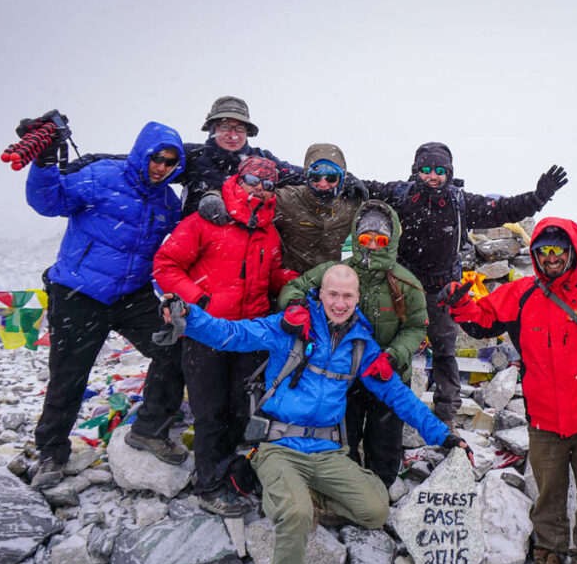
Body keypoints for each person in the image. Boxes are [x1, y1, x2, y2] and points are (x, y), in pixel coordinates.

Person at [157, 264, 471, 564]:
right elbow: (232, 334)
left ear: (357, 298)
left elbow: (398, 395)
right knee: (297, 515)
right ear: (320, 295)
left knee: (375, 510)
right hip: (278, 445)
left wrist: (443, 435)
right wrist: (189, 317)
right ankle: (288, 561)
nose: (339, 303)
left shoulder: (361, 346)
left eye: (347, 296)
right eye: (332, 294)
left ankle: (296, 494)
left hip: (327, 452)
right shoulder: (289, 328)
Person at [437, 217, 577, 564]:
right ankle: (549, 555)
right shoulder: (519, 293)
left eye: (558, 250)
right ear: (536, 254)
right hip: (543, 419)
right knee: (548, 495)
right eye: (544, 251)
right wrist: (461, 306)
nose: (552, 257)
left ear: (572, 251)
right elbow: (482, 321)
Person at [22, 114, 190, 490]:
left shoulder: (166, 202)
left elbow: (179, 248)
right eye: (156, 158)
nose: (161, 168)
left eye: (169, 162)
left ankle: (149, 429)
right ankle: (51, 453)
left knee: (174, 348)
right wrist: (46, 160)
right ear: (141, 154)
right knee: (70, 375)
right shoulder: (101, 177)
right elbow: (48, 201)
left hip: (132, 295)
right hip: (79, 293)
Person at [366, 142, 568, 426]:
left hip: (443, 290)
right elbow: (357, 186)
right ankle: (391, 414)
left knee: (445, 351)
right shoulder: (399, 195)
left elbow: (506, 209)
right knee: (395, 348)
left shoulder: (460, 202)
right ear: (415, 171)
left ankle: (446, 417)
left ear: (449, 173)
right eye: (425, 170)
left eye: (439, 171)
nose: (432, 176)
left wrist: (538, 197)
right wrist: (328, 177)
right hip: (401, 289)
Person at [152, 156, 298, 516]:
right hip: (206, 334)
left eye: (268, 184)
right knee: (209, 410)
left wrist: (304, 284)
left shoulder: (268, 231)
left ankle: (232, 476)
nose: (260, 188)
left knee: (241, 408)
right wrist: (199, 301)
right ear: (238, 179)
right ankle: (209, 486)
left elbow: (273, 273)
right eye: (253, 180)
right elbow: (165, 265)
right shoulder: (204, 221)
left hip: (249, 335)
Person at [279, 200, 426, 489]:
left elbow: (415, 327)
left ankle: (379, 492)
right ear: (355, 237)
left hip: (388, 375)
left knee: (384, 441)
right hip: (344, 375)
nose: (372, 245)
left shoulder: (407, 284)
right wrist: (296, 307)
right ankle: (346, 490)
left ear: (392, 239)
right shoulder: (339, 272)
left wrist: (394, 356)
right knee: (343, 435)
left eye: (380, 239)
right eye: (365, 238)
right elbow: (295, 286)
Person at [177, 96, 303, 216]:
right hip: (194, 236)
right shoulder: (191, 156)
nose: (233, 135)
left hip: (252, 237)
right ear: (212, 129)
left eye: (240, 128)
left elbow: (309, 177)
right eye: (225, 127)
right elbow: (157, 171)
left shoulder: (264, 160)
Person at [273, 143, 365, 273]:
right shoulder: (287, 200)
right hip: (292, 283)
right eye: (315, 177)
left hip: (331, 284)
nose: (323, 184)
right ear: (306, 175)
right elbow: (251, 199)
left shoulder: (351, 205)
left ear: (342, 178)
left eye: (331, 178)